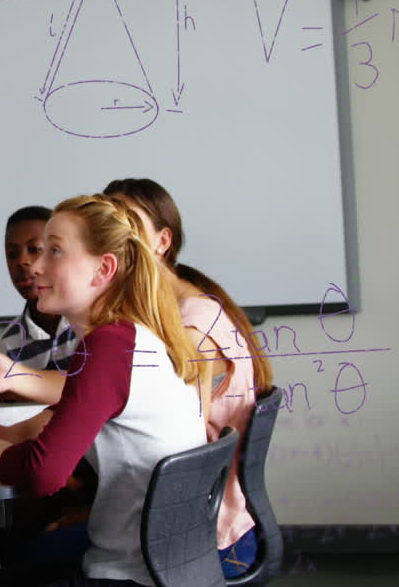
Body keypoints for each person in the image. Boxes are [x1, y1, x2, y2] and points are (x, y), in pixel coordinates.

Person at [0, 195, 209, 586]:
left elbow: (42, 474)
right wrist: (4, 434)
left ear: (103, 269)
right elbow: (69, 412)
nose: (34, 266)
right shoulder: (126, 335)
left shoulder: (109, 346)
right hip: (164, 565)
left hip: (130, 576)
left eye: (54, 251)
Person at [104, 177, 272, 578]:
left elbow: (180, 442)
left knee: (39, 548)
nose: (113, 238)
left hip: (204, 539)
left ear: (162, 241)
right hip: (195, 522)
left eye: (129, 225)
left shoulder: (191, 325)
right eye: (108, 224)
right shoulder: (175, 309)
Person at [0, 205, 74, 404]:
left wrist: (18, 382)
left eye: (34, 249)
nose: (22, 261)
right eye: (12, 254)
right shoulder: (11, 343)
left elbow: (89, 388)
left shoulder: (89, 323)